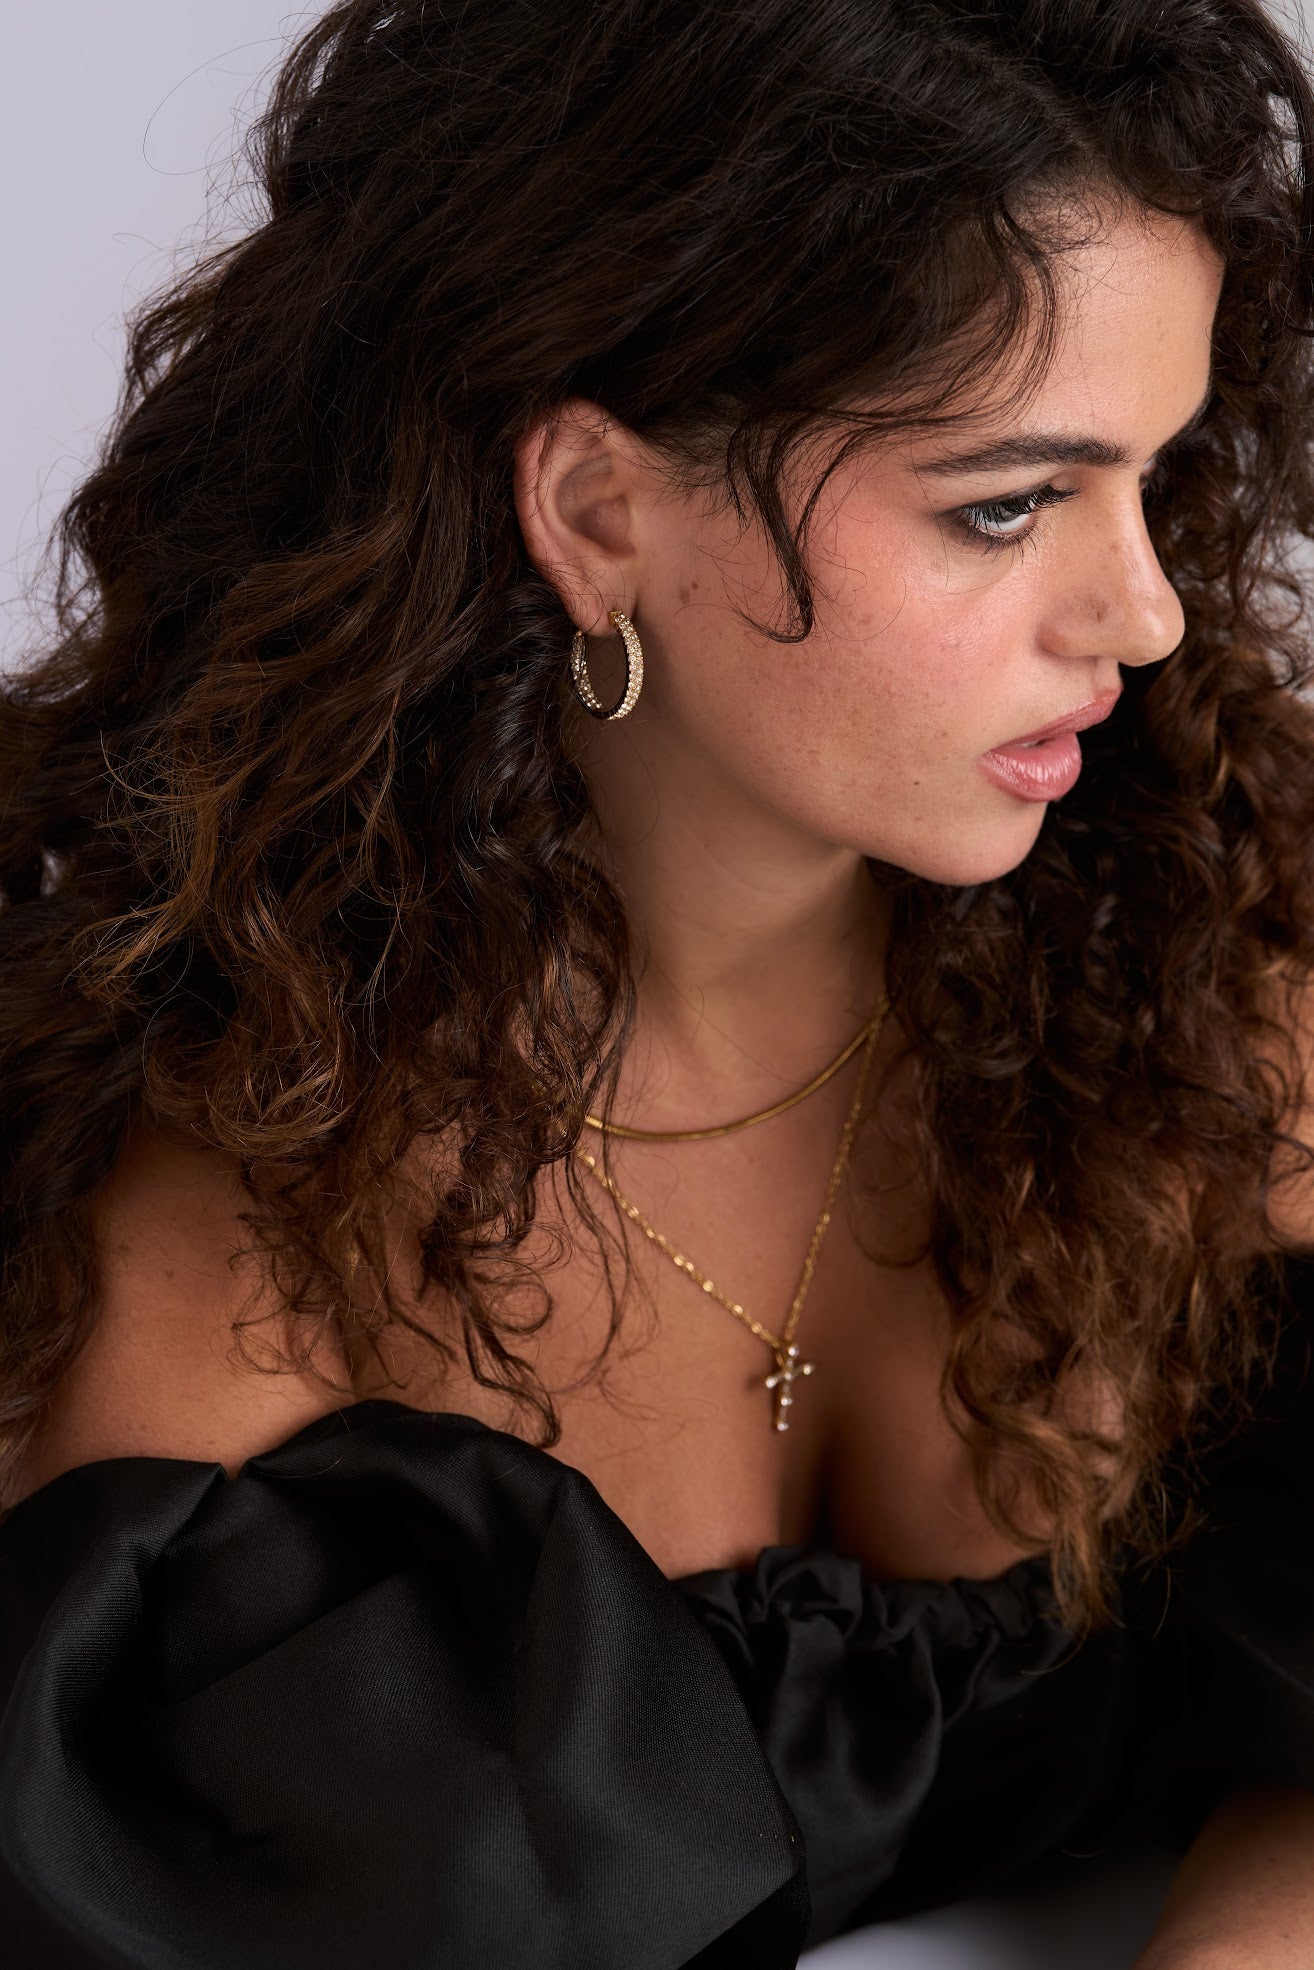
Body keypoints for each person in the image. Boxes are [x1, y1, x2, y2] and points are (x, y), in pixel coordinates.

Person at [2, 0, 1314, 1963]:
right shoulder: (220, 1262)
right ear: (600, 510)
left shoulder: (1210, 995)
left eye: (1157, 472)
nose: (1141, 609)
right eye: (1006, 501)